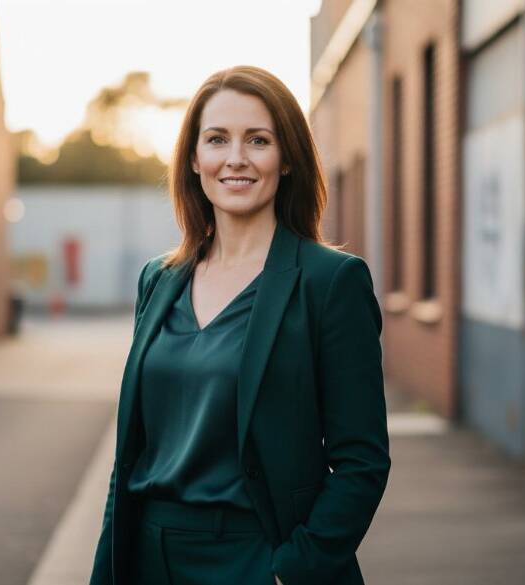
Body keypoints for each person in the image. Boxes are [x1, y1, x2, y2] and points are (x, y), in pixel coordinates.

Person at [89, 65, 390, 585]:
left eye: (258, 140)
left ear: (287, 158)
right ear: (193, 158)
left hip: (257, 557)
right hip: (150, 556)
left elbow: (362, 460)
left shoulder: (330, 282)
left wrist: (294, 569)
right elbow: (131, 456)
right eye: (217, 139)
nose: (236, 158)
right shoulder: (159, 280)